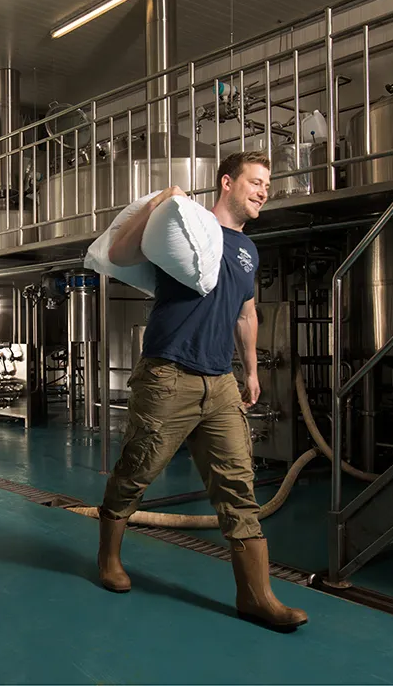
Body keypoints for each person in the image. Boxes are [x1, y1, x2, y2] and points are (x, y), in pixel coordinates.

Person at [96, 151, 308, 630]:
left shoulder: (247, 250)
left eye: (267, 186)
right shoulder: (184, 227)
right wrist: (160, 204)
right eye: (255, 182)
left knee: (238, 486)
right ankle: (108, 558)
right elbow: (116, 255)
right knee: (137, 469)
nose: (263, 192)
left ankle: (257, 596)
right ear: (227, 182)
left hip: (221, 382)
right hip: (169, 374)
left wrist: (251, 371)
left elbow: (245, 313)